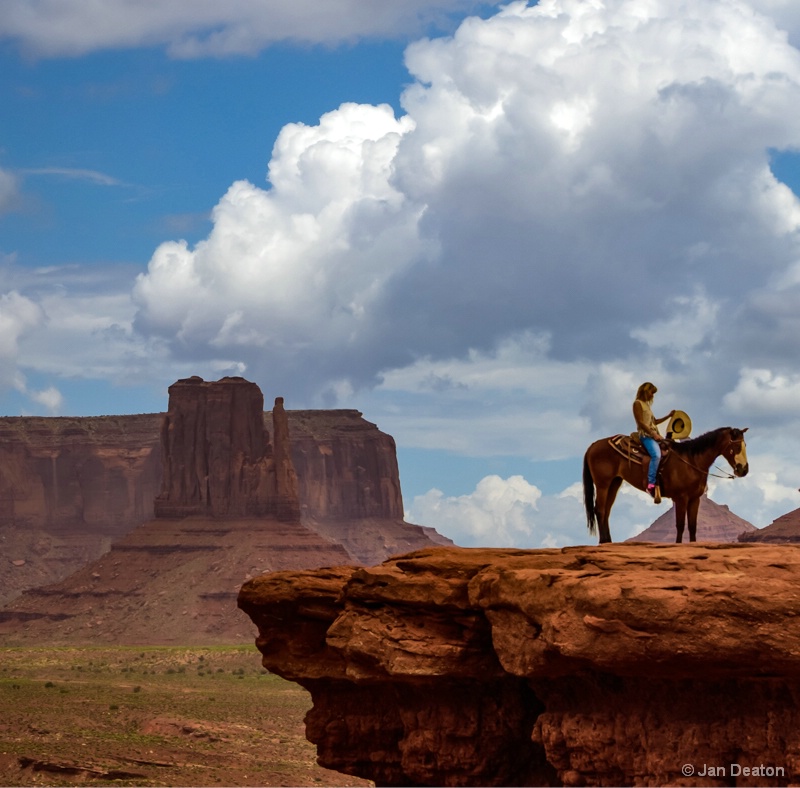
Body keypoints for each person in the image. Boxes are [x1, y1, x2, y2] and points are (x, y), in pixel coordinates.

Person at [633, 382, 674, 497]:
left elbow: (654, 421)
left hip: (654, 435)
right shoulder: (637, 404)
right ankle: (651, 483)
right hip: (646, 436)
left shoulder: (647, 406)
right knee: (656, 455)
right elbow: (640, 422)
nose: (653, 396)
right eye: (652, 392)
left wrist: (668, 416)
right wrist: (653, 434)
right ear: (646, 391)